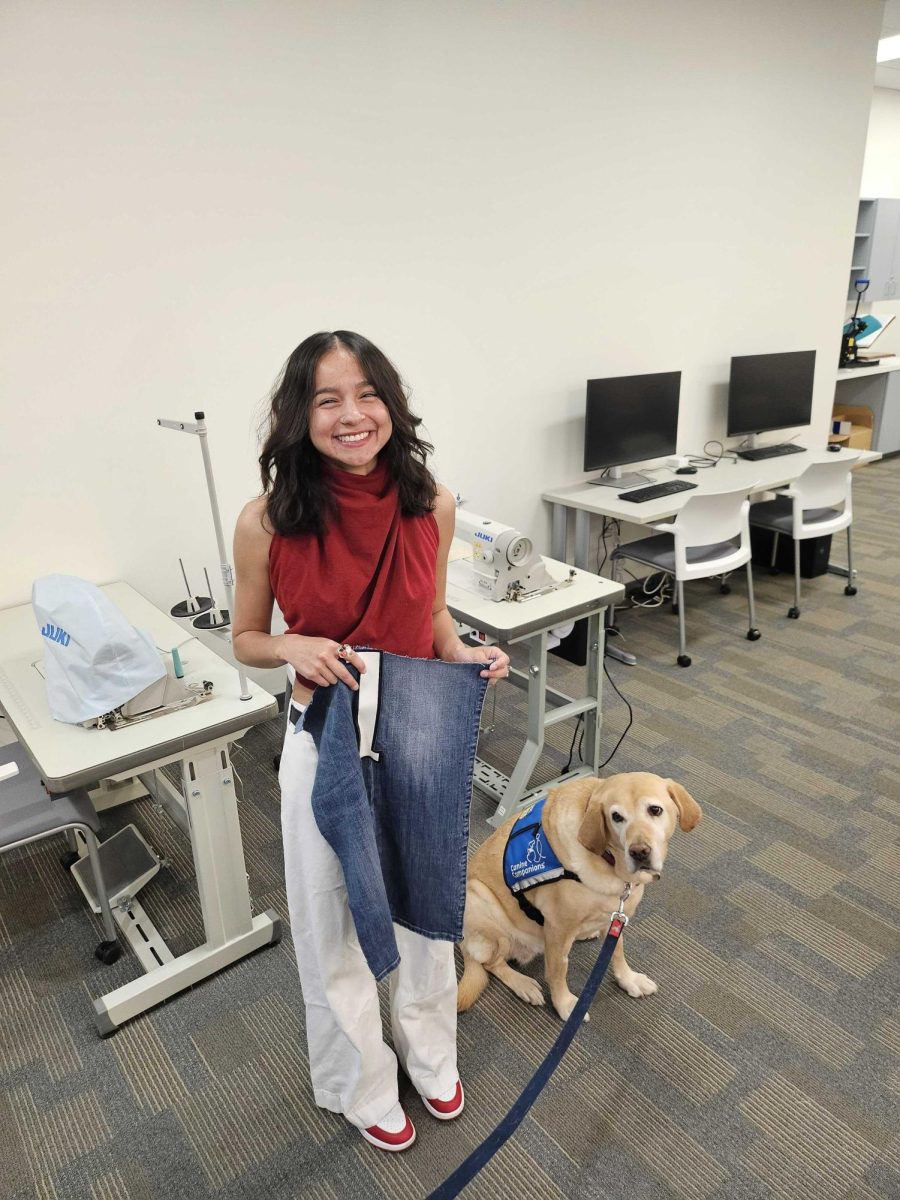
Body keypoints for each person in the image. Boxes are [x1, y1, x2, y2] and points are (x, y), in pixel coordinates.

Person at [232, 330, 510, 1152]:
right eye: (327, 400)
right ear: (299, 415)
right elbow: (247, 636)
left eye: (366, 395)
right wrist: (290, 646)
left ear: (390, 403)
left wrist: (465, 652)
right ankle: (359, 1080)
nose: (351, 415)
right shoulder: (266, 521)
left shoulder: (434, 503)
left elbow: (429, 617)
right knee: (330, 919)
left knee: (429, 906)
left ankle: (429, 1055)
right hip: (323, 729)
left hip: (417, 721)